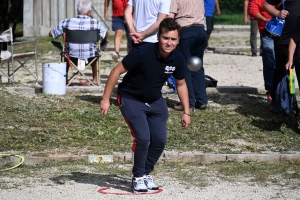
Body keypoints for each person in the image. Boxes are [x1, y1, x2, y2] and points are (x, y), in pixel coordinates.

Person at [99, 18, 191, 193]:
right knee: (142, 138)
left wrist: (187, 111)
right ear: (158, 37)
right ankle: (138, 177)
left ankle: (146, 172)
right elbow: (115, 71)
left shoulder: (178, 58)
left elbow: (181, 84)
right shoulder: (143, 53)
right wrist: (105, 99)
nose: (169, 43)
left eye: (173, 39)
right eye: (165, 38)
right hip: (130, 98)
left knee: (159, 140)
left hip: (155, 100)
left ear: (178, 41)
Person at [49, 0, 108, 85]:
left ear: (78, 10)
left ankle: (64, 79)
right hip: (90, 58)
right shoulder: (95, 23)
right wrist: (105, 41)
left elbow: (51, 34)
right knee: (95, 52)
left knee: (65, 52)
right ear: (89, 12)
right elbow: (106, 33)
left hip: (71, 57)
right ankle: (95, 79)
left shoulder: (66, 22)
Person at [169, 0, 208, 111]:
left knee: (184, 67)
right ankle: (201, 100)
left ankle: (188, 103)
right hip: (200, 31)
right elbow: (204, 11)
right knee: (197, 66)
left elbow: (171, 16)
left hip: (185, 31)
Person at [264, 0, 300, 108]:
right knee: (282, 70)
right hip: (284, 38)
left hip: (299, 39)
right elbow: (266, 5)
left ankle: (291, 103)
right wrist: (278, 13)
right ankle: (277, 100)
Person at [249, 0, 275, 101]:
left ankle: (283, 88)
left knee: (283, 60)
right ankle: (270, 90)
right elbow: (253, 10)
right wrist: (265, 19)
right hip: (267, 30)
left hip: (283, 30)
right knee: (269, 60)